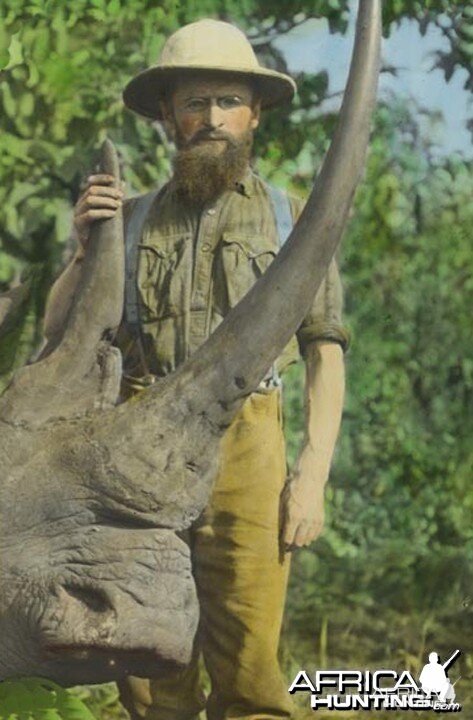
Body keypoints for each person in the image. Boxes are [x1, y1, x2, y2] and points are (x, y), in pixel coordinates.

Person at [44, 18, 349, 720]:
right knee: (147, 660)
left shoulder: (292, 219)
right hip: (140, 440)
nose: (211, 118)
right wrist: (81, 251)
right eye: (193, 102)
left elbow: (323, 349)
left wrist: (311, 472)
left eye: (227, 101)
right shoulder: (127, 220)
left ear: (255, 113)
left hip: (248, 442)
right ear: (165, 117)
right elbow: (64, 332)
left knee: (248, 660)